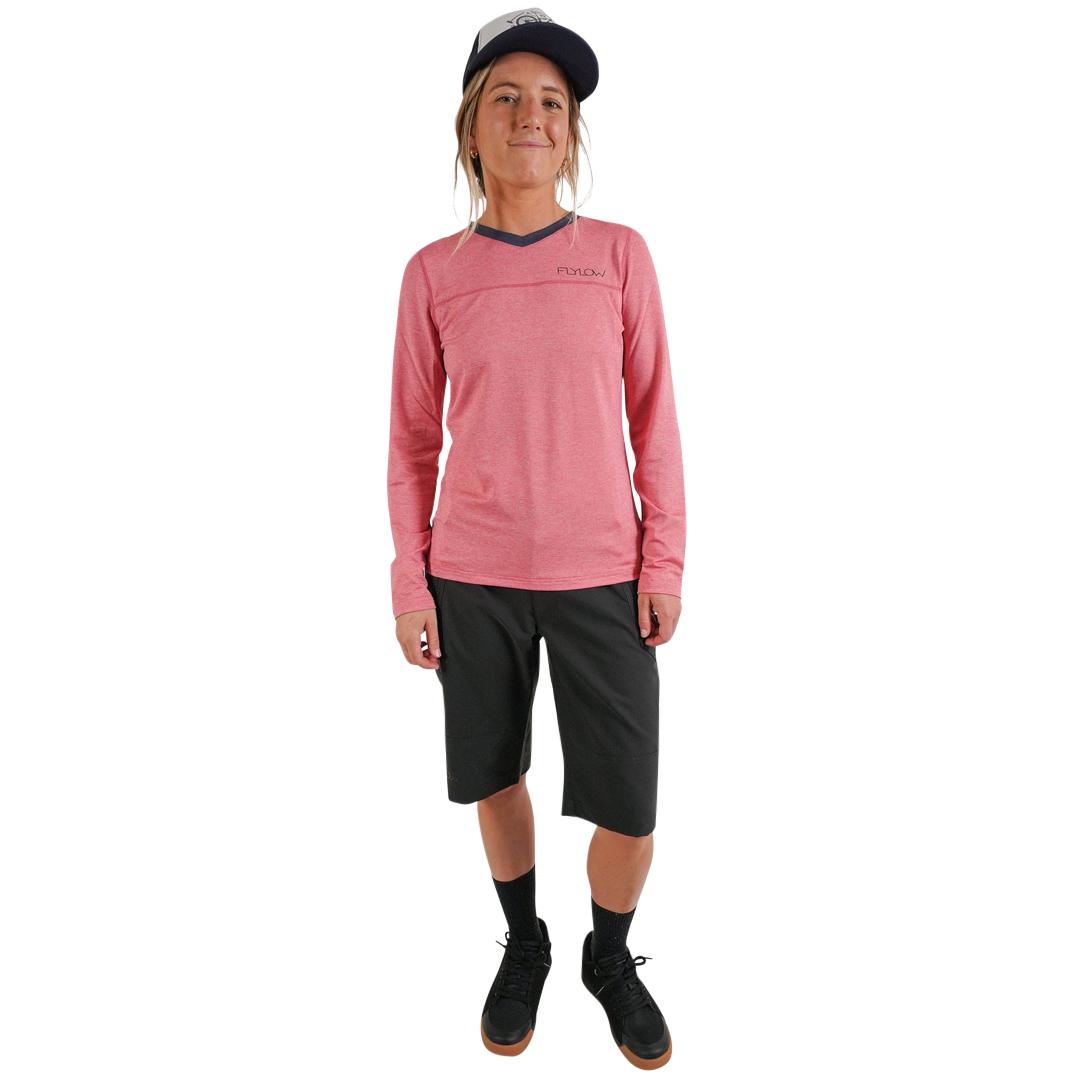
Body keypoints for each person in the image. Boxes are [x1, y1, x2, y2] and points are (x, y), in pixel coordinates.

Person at [386, 8, 685, 1069]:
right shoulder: (434, 273)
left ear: (571, 131)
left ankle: (608, 955)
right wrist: (410, 582)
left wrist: (664, 559)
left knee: (630, 806)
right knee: (493, 775)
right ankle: (526, 942)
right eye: (507, 97)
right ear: (473, 127)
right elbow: (411, 441)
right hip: (471, 575)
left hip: (604, 573)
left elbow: (654, 420)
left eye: (552, 102)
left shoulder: (618, 257)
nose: (532, 116)